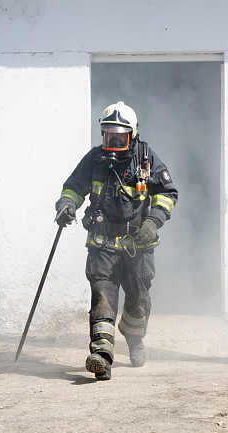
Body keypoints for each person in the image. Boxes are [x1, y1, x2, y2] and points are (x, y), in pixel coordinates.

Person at [54, 101, 178, 381]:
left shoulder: (147, 160)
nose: (112, 143)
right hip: (102, 244)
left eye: (119, 138)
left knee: (138, 301)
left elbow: (168, 193)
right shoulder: (94, 159)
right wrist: (67, 205)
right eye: (108, 136)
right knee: (102, 299)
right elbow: (73, 187)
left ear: (132, 134)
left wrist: (152, 222)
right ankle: (101, 356)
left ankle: (134, 339)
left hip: (138, 245)